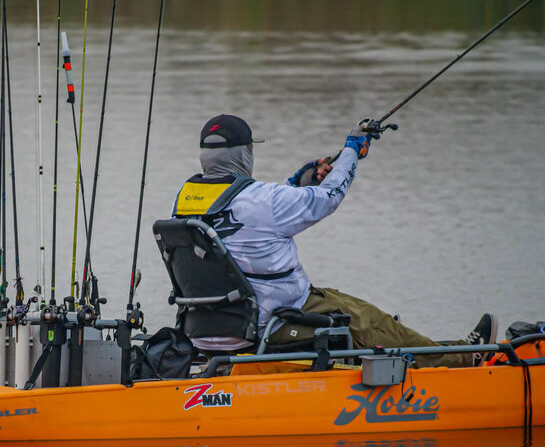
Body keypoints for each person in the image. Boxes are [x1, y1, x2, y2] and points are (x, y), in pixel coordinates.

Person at [171, 114, 497, 368]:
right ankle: (464, 358)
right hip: (270, 319)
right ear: (245, 153)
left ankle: (435, 350)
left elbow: (254, 216)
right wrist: (352, 151)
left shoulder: (187, 199)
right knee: (365, 317)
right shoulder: (265, 201)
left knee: (337, 299)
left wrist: (303, 178)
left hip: (206, 329)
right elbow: (327, 198)